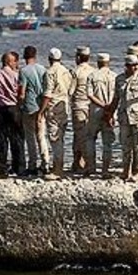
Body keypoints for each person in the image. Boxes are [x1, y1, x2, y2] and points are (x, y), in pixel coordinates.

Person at [110, 54, 138, 182]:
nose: (134, 68)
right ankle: (126, 170)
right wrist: (110, 114)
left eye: (136, 65)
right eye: (131, 66)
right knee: (125, 144)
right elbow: (116, 98)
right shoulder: (119, 79)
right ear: (127, 66)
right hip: (124, 116)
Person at [40, 47, 73, 179]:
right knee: (61, 136)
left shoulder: (50, 72)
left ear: (49, 59)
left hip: (53, 107)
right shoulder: (66, 71)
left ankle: (58, 169)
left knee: (55, 138)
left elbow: (48, 93)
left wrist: (41, 111)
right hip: (64, 106)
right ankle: (59, 166)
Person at [16, 45, 48, 176]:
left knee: (30, 137)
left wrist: (19, 105)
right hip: (41, 106)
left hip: (29, 107)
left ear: (24, 56)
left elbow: (22, 93)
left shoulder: (23, 71)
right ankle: (45, 162)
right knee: (41, 136)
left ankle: (33, 164)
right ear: (35, 56)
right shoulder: (43, 69)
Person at [86, 52, 117, 176]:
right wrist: (109, 109)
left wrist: (102, 105)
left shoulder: (92, 75)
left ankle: (91, 167)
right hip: (111, 111)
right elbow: (117, 96)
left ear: (98, 62)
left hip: (95, 110)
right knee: (107, 142)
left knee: (90, 138)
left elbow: (89, 94)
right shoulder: (115, 76)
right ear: (108, 62)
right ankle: (105, 170)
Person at [69, 46, 94, 174]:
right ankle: (78, 162)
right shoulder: (93, 71)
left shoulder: (76, 71)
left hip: (79, 106)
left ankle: (87, 164)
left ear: (78, 57)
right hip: (91, 107)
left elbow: (71, 91)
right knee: (85, 135)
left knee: (80, 136)